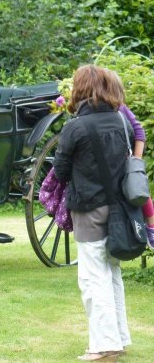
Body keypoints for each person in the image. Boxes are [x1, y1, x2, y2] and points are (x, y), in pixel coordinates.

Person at [53, 65, 131, 362]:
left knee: (92, 279)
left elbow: (60, 171)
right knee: (111, 274)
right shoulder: (120, 121)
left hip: (89, 207)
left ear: (81, 89)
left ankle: (103, 346)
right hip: (119, 207)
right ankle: (119, 338)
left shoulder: (76, 127)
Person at [104, 69, 154, 248]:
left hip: (127, 162)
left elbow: (139, 131)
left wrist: (136, 161)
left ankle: (151, 227)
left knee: (139, 191)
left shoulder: (121, 109)